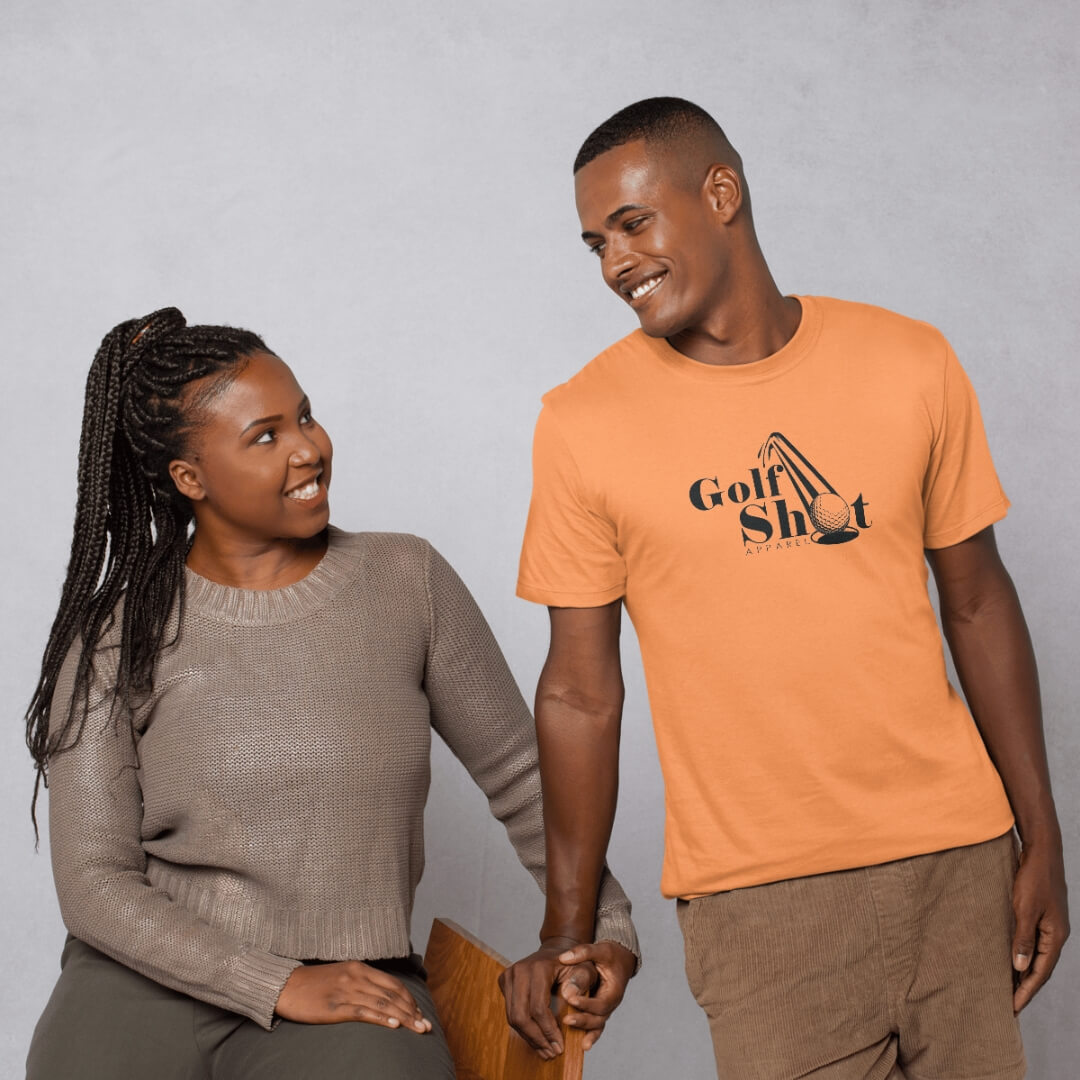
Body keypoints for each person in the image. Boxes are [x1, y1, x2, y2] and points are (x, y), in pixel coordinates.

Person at [511, 97, 1069, 1078]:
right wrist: (569, 926)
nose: (615, 264)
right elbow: (579, 691)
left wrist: (1041, 836)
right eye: (595, 243)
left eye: (634, 224)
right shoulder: (583, 422)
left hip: (956, 860)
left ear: (720, 192)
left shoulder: (910, 361)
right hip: (760, 902)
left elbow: (977, 601)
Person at [24, 308, 638, 1079]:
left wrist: (607, 926)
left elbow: (524, 777)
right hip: (143, 983)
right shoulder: (119, 632)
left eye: (305, 417)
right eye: (265, 437)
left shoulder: (406, 581)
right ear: (190, 479)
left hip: (358, 985)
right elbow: (94, 882)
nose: (309, 449)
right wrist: (276, 982)